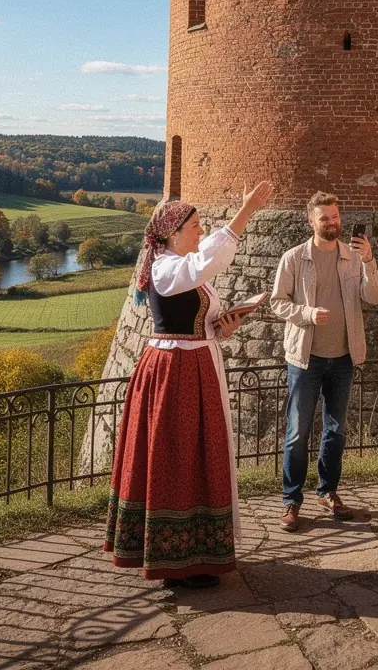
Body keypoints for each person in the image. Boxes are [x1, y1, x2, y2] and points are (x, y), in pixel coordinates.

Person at [104, 181, 274, 587]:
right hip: (173, 372)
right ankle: (170, 558)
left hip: (196, 364)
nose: (200, 232)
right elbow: (200, 267)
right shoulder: (165, 267)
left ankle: (198, 554)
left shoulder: (181, 268)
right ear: (172, 233)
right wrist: (245, 213)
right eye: (195, 226)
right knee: (175, 455)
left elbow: (198, 317)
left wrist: (224, 325)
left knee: (200, 454)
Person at [270, 191, 378, 531]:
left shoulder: (353, 257)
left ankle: (328, 492)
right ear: (311, 221)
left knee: (336, 432)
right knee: (297, 433)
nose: (332, 223)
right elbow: (278, 303)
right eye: (325, 218)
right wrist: (306, 313)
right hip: (305, 359)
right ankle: (291, 501)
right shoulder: (293, 258)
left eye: (335, 217)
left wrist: (369, 261)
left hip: (344, 358)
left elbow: (375, 297)